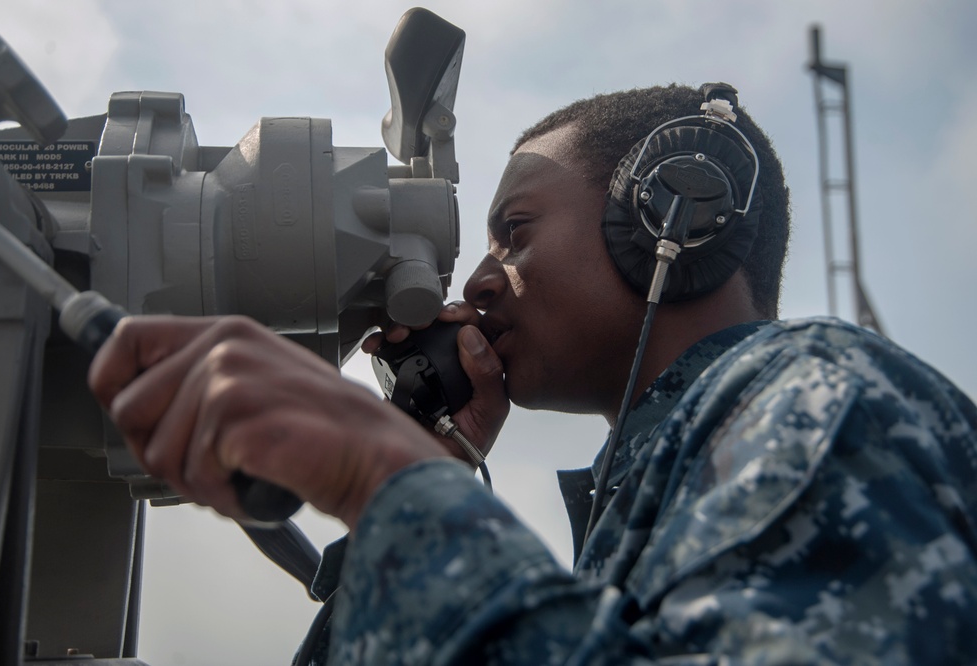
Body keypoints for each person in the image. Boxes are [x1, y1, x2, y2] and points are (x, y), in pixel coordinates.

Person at [88, 84, 977, 664]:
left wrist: (385, 480)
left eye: (515, 232)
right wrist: (408, 502)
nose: (476, 282)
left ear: (670, 213)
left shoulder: (817, 396)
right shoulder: (657, 496)